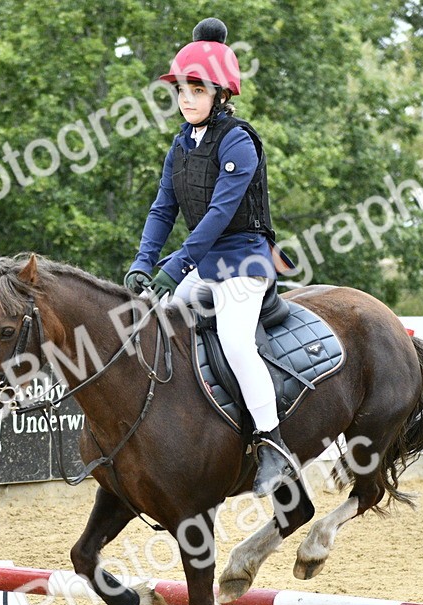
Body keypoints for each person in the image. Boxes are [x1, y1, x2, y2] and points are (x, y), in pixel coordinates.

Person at [123, 17, 297, 497]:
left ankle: (273, 445)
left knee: (237, 343)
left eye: (197, 90)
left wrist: (174, 267)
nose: (186, 98)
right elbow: (163, 208)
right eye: (181, 89)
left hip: (245, 263)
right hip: (204, 266)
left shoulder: (238, 140)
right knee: (150, 322)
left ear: (221, 94)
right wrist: (143, 261)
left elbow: (220, 215)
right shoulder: (180, 144)